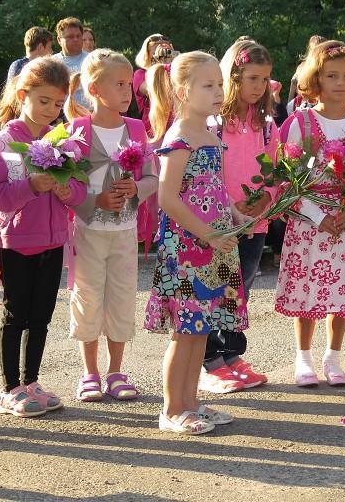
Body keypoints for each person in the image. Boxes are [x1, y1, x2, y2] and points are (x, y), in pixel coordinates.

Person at [145, 51, 249, 435]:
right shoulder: (179, 137)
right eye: (208, 85)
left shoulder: (211, 134)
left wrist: (236, 216)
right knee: (185, 329)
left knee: (202, 328)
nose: (219, 91)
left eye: (220, 83)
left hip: (216, 247)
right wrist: (208, 233)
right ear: (183, 91)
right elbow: (167, 198)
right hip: (188, 251)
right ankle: (172, 410)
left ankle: (191, 402)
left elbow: (216, 188)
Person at [0, 57, 87, 417]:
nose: (51, 110)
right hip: (16, 243)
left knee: (41, 316)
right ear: (22, 94)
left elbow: (78, 189)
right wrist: (30, 186)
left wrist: (64, 192)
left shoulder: (62, 140)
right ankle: (10, 388)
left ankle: (32, 381)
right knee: (16, 316)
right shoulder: (2, 143)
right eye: (44, 101)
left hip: (54, 240)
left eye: (58, 104)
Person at [275, 40, 345, 387]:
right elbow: (289, 180)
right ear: (316, 78)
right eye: (331, 75)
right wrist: (318, 216)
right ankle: (303, 359)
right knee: (308, 293)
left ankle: (333, 358)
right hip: (311, 223)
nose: (340, 82)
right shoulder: (300, 123)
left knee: (340, 294)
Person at [63, 49, 156, 402]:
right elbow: (66, 186)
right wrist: (93, 201)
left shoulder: (135, 128)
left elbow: (152, 177)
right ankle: (89, 373)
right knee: (87, 298)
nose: (126, 91)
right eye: (117, 84)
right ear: (94, 89)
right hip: (88, 231)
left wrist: (136, 188)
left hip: (124, 231)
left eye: (127, 84)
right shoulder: (76, 130)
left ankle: (117, 371)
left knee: (121, 297)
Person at [199, 40, 276, 394]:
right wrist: (232, 205)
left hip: (256, 222)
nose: (259, 87)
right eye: (252, 78)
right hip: (221, 223)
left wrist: (266, 200)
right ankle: (210, 360)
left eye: (264, 79)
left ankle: (232, 354)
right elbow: (207, 174)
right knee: (218, 289)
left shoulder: (266, 125)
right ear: (233, 76)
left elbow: (277, 170)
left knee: (240, 288)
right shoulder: (214, 124)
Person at [133, 34, 174, 136]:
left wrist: (175, 63)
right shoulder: (140, 74)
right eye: (156, 50)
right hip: (153, 129)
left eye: (165, 49)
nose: (162, 53)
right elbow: (151, 89)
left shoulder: (175, 72)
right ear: (147, 55)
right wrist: (161, 66)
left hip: (175, 125)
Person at [54, 17, 90, 110]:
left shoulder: (93, 60)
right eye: (70, 37)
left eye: (78, 36)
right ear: (59, 40)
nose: (75, 39)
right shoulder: (52, 63)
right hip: (60, 115)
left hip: (90, 113)